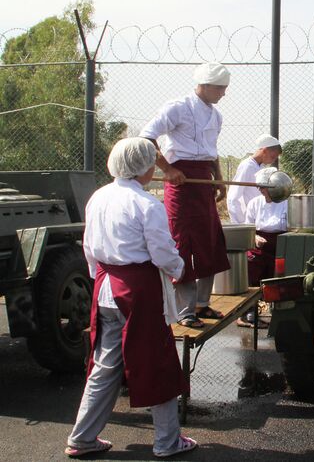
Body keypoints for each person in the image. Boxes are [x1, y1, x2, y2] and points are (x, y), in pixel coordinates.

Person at [65, 137, 197, 458]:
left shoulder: (98, 197)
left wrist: (100, 278)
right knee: (157, 362)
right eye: (152, 162)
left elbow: (89, 247)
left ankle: (82, 438)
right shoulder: (147, 204)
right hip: (138, 291)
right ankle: (167, 442)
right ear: (144, 167)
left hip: (106, 287)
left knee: (105, 364)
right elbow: (163, 252)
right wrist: (179, 268)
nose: (154, 168)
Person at [140, 62, 232, 328]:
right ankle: (184, 311)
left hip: (203, 180)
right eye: (220, 88)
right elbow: (147, 137)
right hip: (181, 182)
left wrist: (219, 179)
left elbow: (212, 151)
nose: (223, 94)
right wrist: (167, 169)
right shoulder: (177, 107)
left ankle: (202, 304)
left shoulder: (216, 116)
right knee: (185, 244)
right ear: (205, 85)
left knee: (210, 241)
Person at [236, 169, 288, 328]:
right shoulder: (255, 203)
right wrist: (255, 237)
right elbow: (249, 226)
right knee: (251, 270)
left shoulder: (288, 202)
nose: (261, 190)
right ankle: (247, 313)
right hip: (259, 244)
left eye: (264, 187)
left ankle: (280, 312)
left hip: (281, 242)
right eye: (259, 187)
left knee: (279, 276)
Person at [226, 134, 282, 224]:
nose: (273, 160)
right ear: (264, 151)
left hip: (257, 217)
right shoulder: (247, 166)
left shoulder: (261, 167)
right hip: (246, 219)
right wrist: (240, 224)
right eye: (272, 156)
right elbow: (233, 197)